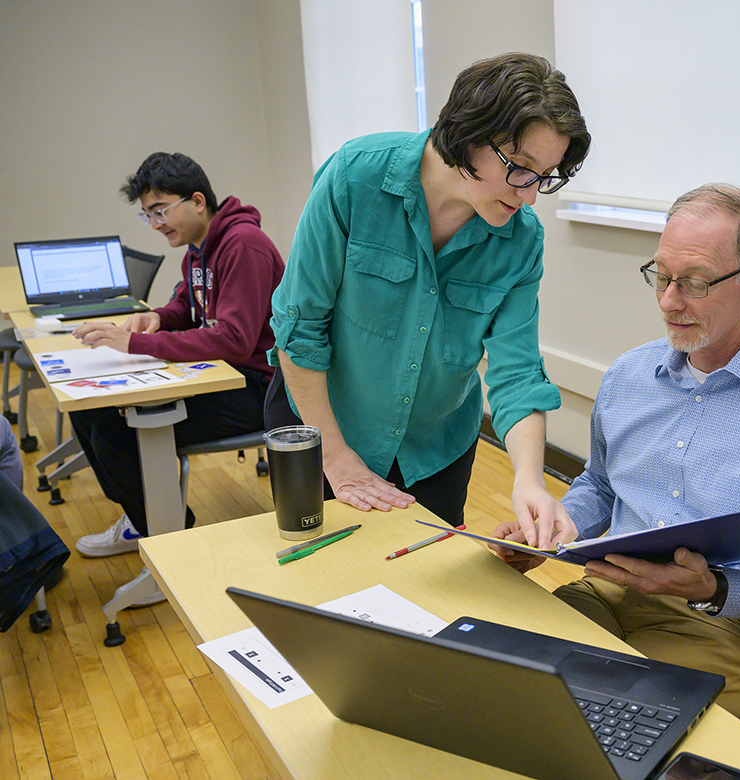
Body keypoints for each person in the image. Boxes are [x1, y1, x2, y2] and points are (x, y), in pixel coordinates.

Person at [491, 184, 740, 718]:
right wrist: (551, 530)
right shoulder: (629, 375)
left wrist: (715, 586)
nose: (668, 301)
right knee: (501, 673)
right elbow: (601, 486)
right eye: (661, 276)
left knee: (589, 712)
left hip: (720, 625)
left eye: (695, 283)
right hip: (609, 591)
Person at [266, 52, 589, 548]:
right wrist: (334, 456)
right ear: (467, 133)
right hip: (322, 425)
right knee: (323, 583)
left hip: (433, 447)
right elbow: (299, 326)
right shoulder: (356, 179)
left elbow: (517, 374)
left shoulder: (521, 239)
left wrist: (528, 479)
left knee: (419, 602)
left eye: (545, 176)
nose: (530, 196)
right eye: (521, 169)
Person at [69, 152, 285, 604]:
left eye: (161, 210)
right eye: (148, 214)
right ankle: (144, 518)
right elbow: (186, 307)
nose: (155, 224)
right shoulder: (198, 248)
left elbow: (233, 339)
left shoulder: (243, 245)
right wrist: (157, 322)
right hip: (222, 375)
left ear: (198, 201)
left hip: (260, 388)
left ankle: (171, 539)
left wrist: (135, 344)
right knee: (90, 415)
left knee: (115, 432)